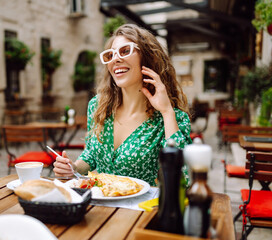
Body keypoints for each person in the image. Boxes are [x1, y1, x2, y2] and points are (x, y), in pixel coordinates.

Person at [53, 24, 192, 186]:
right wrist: (73, 168)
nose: (116, 59)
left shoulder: (170, 117)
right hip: (101, 207)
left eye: (125, 51)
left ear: (148, 58)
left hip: (143, 210)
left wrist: (167, 111)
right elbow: (91, 153)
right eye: (110, 55)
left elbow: (184, 178)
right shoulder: (98, 106)